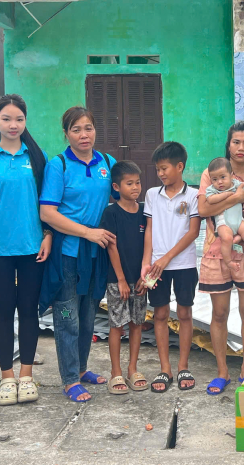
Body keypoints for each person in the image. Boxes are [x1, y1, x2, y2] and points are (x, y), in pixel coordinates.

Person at [0, 94, 51, 407]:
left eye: (19, 119)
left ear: (25, 121)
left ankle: (27, 375)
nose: (13, 125)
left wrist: (47, 235)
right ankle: (6, 377)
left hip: (33, 247)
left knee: (29, 311)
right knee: (3, 312)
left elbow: (47, 203)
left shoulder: (37, 157)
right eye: (6, 119)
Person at [39, 107, 116, 403]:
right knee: (67, 316)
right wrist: (86, 232)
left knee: (88, 316)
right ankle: (69, 378)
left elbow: (127, 194)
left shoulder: (107, 163)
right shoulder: (58, 165)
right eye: (76, 130)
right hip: (68, 254)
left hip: (96, 255)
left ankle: (82, 368)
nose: (83, 135)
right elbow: (48, 212)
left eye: (88, 128)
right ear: (66, 134)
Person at [197, 122, 244, 393]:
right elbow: (203, 207)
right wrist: (237, 196)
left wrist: (243, 236)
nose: (241, 148)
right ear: (228, 145)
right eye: (236, 142)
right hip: (217, 252)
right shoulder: (212, 173)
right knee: (219, 313)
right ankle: (221, 372)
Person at [141, 141, 200, 393]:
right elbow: (149, 230)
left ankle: (183, 366)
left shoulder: (194, 195)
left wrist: (168, 258)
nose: (161, 174)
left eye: (165, 168)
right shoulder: (152, 195)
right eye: (158, 170)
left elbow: (193, 232)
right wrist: (147, 261)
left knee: (185, 314)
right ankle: (165, 368)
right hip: (156, 267)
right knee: (160, 314)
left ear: (180, 166)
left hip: (184, 264)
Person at [100, 160, 149, 394]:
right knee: (117, 325)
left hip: (139, 280)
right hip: (117, 280)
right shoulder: (111, 212)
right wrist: (120, 279)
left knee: (137, 323)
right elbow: (112, 247)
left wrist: (145, 277)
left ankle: (132, 369)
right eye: (129, 183)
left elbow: (150, 244)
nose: (135, 188)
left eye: (138, 183)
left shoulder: (144, 212)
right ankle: (116, 372)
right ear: (116, 187)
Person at [204, 157, 244, 273]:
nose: (220, 182)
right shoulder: (212, 190)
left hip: (238, 220)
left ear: (231, 175)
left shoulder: (236, 184)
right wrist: (229, 195)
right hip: (223, 223)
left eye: (223, 177)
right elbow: (211, 200)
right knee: (227, 239)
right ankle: (228, 262)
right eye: (215, 179)